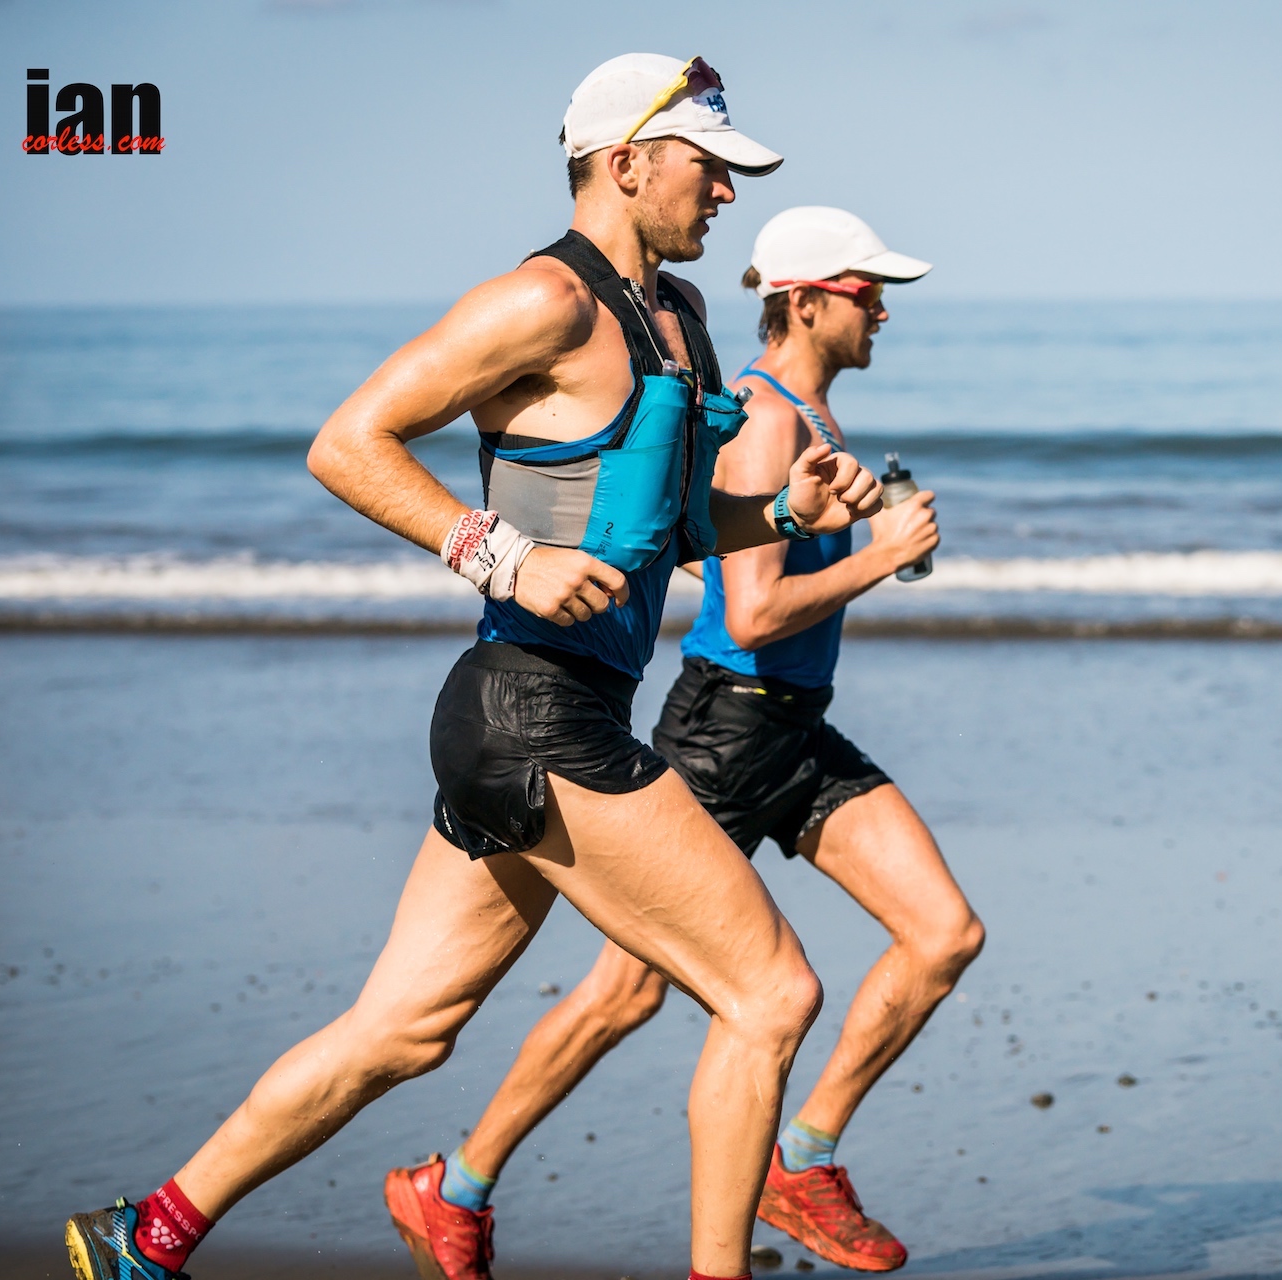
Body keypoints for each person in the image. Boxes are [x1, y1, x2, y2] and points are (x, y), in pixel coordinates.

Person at [63, 53, 884, 1280]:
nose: (727, 192)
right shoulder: (542, 302)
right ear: (626, 163)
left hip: (546, 715)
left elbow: (673, 532)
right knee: (771, 994)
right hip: (530, 706)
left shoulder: (681, 318)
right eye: (708, 166)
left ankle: (145, 1238)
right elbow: (349, 441)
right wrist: (500, 554)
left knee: (402, 1030)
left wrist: (783, 509)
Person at [381, 206, 981, 1279]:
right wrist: (881, 556)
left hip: (795, 728)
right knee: (625, 992)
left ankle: (803, 1160)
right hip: (724, 726)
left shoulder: (814, 420)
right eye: (866, 291)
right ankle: (456, 1186)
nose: (884, 310)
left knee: (942, 933)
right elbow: (751, 610)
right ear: (805, 302)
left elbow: (708, 544)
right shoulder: (763, 419)